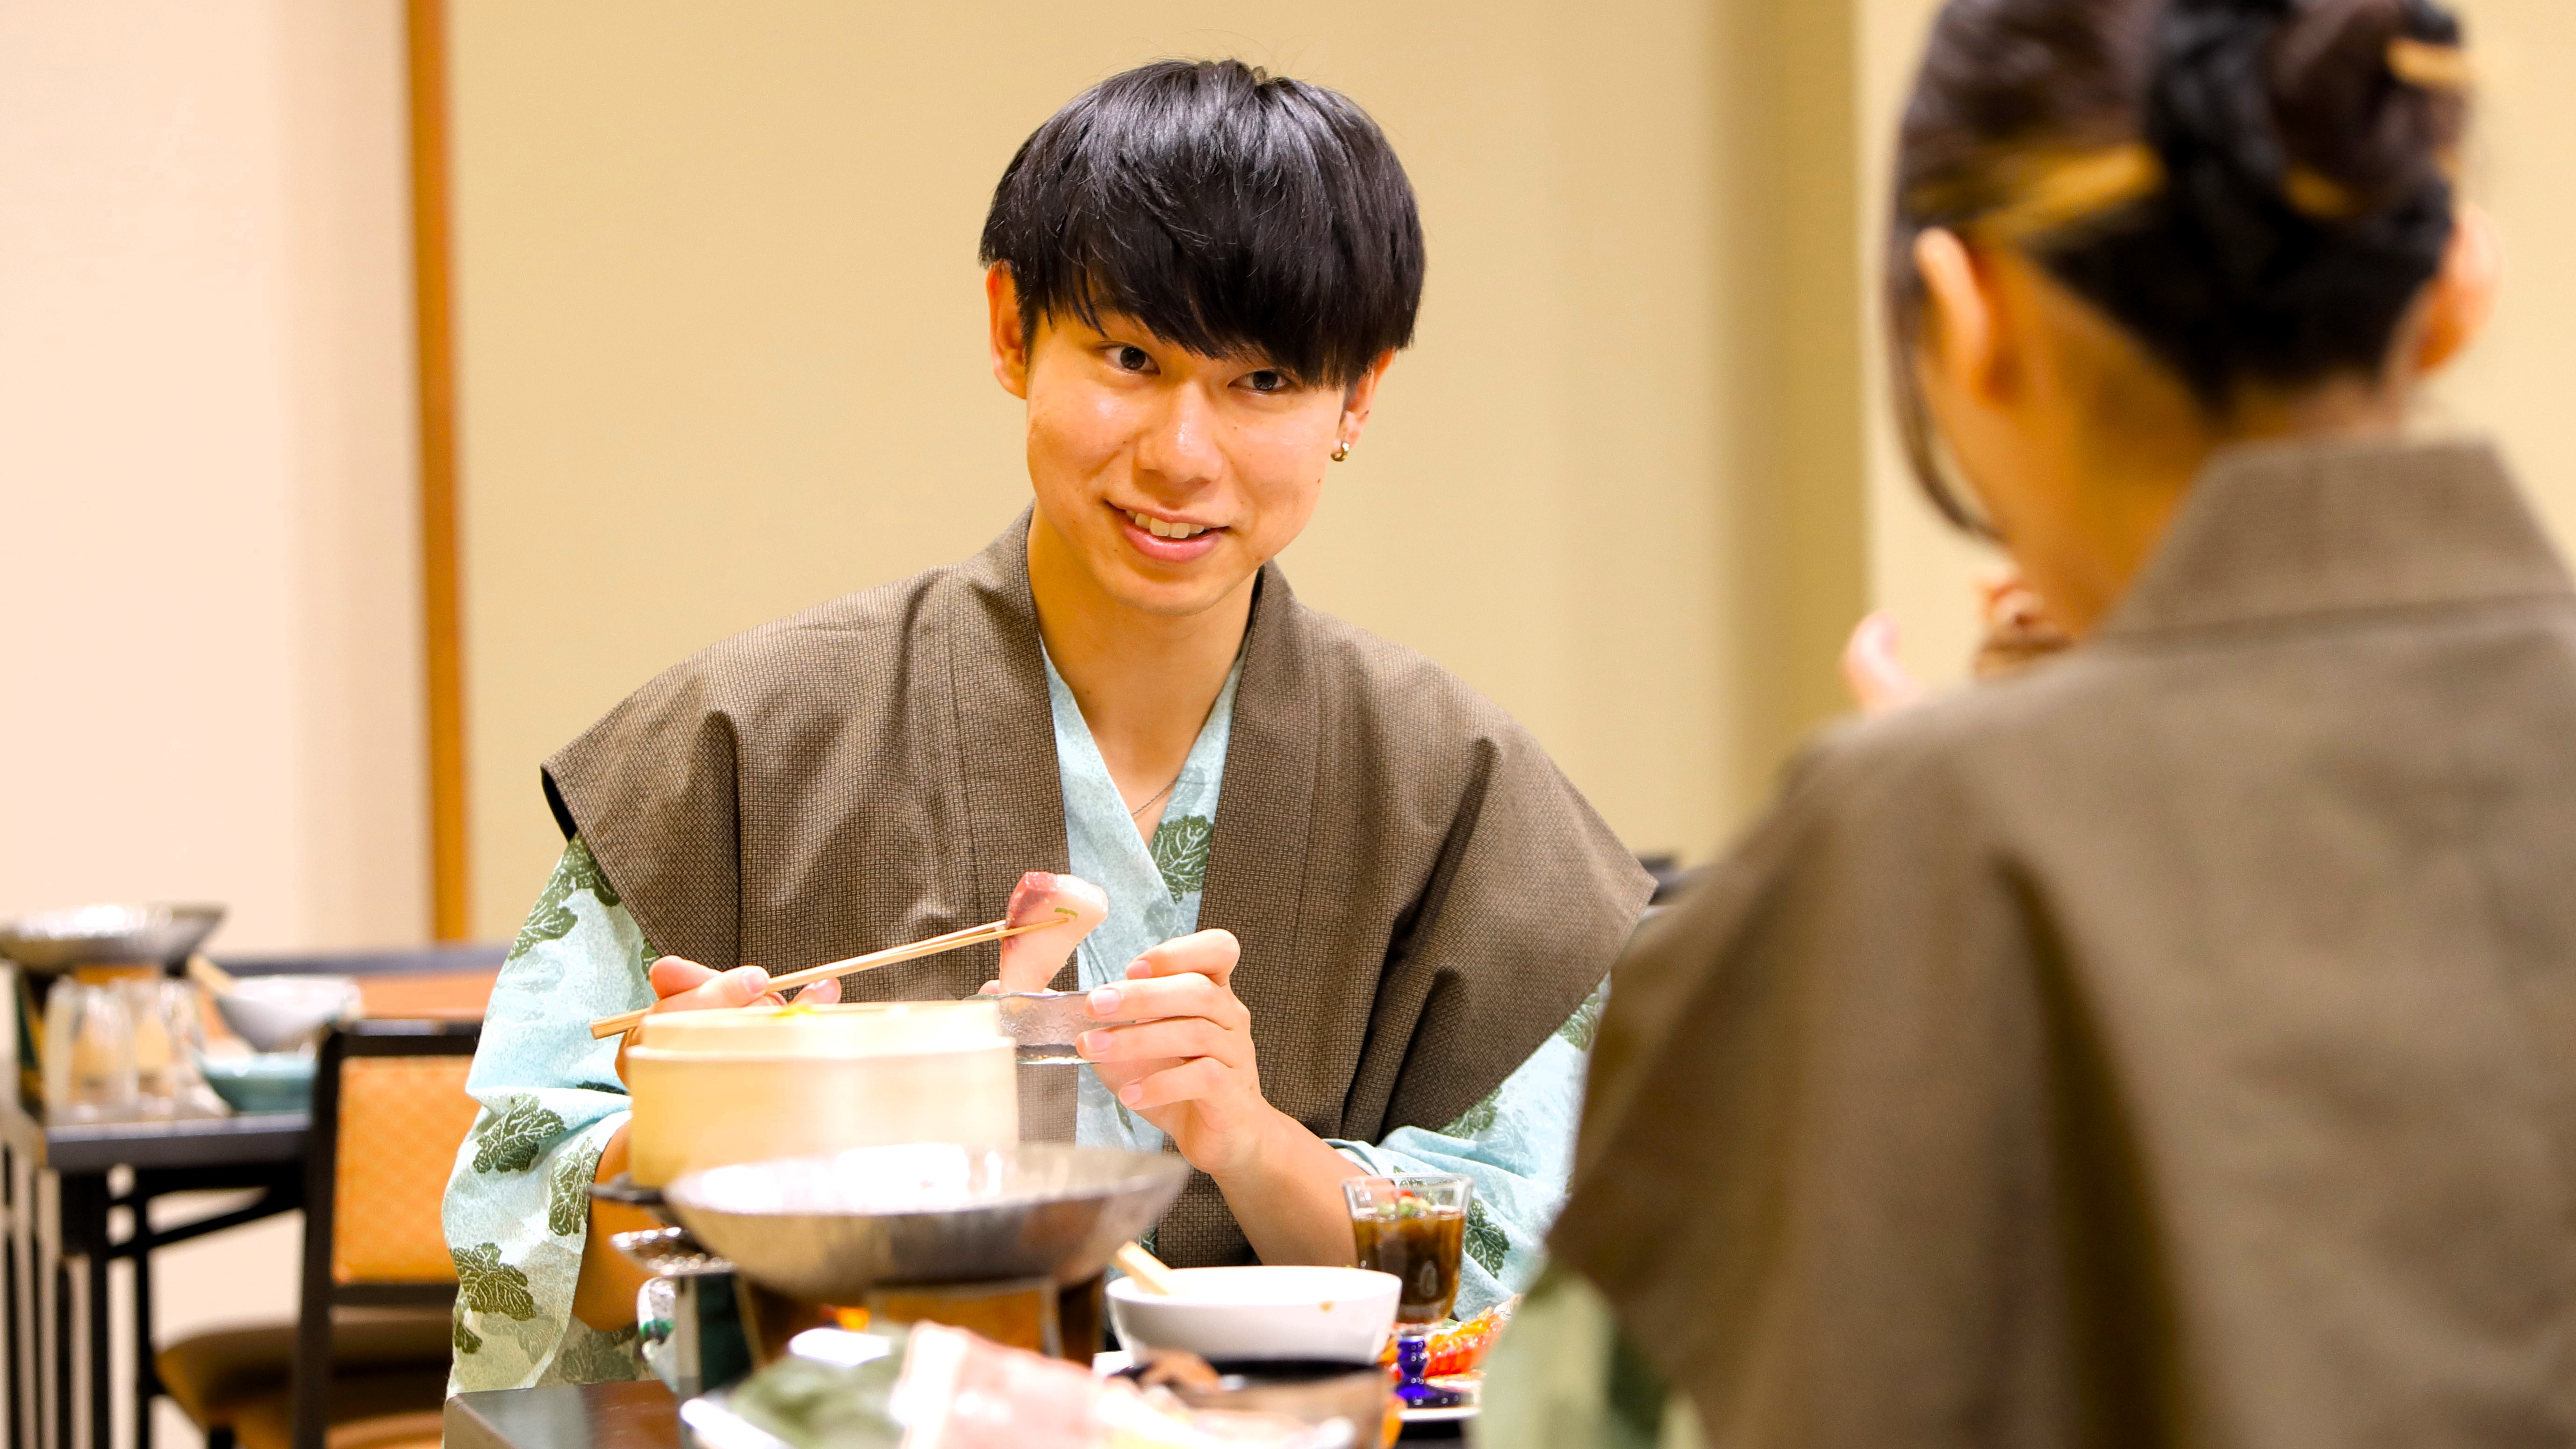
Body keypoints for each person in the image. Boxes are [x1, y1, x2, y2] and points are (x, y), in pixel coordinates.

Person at [441, 59, 1650, 1392]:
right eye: (1130, 358)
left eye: (1264, 383)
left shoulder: (1464, 797)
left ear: (1358, 395)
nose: (1184, 452)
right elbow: (511, 1222)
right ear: (1014, 328)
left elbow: (1547, 1273)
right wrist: (678, 1142)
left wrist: (1248, 1141)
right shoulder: (731, 744)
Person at [1486, 0, 2576, 1443]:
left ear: (1965, 314)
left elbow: (1595, 1418)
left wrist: (1923, 827)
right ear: (2457, 284)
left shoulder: (1911, 851)